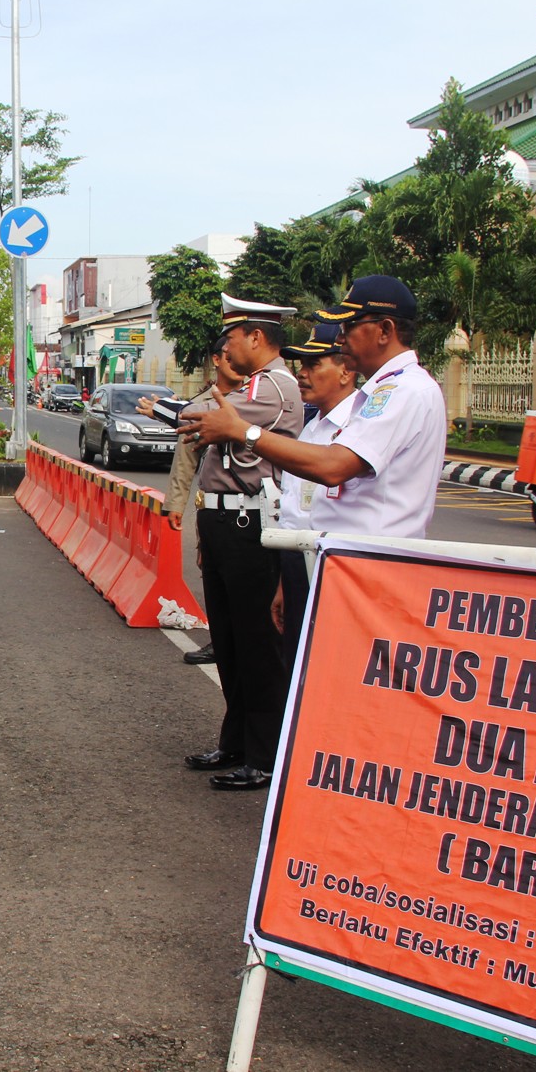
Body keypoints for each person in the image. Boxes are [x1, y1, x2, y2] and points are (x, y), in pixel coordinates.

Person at [180, 275, 447, 542]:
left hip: (371, 561)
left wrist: (243, 432)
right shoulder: (381, 391)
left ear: (385, 330)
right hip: (342, 557)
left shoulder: (404, 390)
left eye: (348, 327)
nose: (340, 340)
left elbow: (333, 467)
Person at [179, 294, 304, 791]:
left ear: (256, 337)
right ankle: (235, 740)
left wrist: (190, 412)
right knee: (229, 643)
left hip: (250, 528)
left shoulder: (275, 387)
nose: (226, 347)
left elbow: (198, 421)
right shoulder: (256, 385)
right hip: (223, 525)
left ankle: (265, 754)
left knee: (256, 644)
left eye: (232, 337)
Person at [139, 339, 245, 665]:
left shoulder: (256, 397)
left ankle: (245, 646)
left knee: (249, 585)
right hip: (213, 507)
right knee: (215, 578)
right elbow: (186, 455)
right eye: (228, 354)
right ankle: (221, 642)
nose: (236, 360)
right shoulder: (200, 402)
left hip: (253, 509)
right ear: (216, 359)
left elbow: (203, 418)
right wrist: (176, 503)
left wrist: (168, 411)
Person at [271, 324, 356, 671]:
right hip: (298, 562)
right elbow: (295, 511)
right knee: (297, 668)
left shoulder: (357, 427)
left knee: (326, 669)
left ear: (346, 371)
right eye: (300, 366)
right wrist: (284, 583)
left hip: (334, 569)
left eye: (313, 365)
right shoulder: (312, 426)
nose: (301, 375)